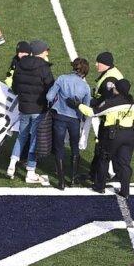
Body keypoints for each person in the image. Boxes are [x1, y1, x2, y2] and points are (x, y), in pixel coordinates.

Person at [77, 78, 134, 197]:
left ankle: (99, 186)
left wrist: (78, 105)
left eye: (115, 87)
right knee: (124, 164)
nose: (113, 88)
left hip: (113, 135)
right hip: (129, 136)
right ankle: (125, 191)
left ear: (118, 89)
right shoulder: (133, 103)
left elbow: (93, 112)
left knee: (104, 158)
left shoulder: (112, 102)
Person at [7, 40, 53, 183]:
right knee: (34, 139)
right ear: (41, 52)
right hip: (38, 109)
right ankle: (30, 171)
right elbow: (51, 88)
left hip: (24, 107)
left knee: (21, 136)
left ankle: (11, 165)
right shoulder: (44, 67)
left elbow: (14, 87)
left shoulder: (20, 64)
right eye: (46, 50)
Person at [44, 57, 92, 189]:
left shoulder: (62, 79)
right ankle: (73, 178)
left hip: (59, 117)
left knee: (59, 148)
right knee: (74, 147)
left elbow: (49, 97)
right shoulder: (86, 87)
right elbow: (86, 109)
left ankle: (61, 182)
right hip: (74, 120)